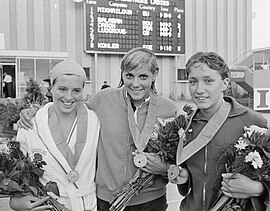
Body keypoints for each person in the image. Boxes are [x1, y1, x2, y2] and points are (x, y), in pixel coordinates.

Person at [17, 47, 178, 211]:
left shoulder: (169, 109)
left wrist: (165, 168)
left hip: (151, 200)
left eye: (143, 76)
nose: (135, 83)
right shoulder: (104, 99)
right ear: (122, 74)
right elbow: (71, 106)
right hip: (106, 200)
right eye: (129, 75)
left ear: (154, 75)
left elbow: (178, 161)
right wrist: (38, 112)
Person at [170, 52, 269, 211]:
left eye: (208, 81)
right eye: (193, 82)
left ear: (225, 83)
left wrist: (259, 188)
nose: (199, 89)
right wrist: (184, 177)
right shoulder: (186, 124)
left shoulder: (253, 122)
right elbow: (194, 179)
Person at [10, 59, 100, 211]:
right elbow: (17, 173)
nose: (69, 97)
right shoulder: (31, 124)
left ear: (83, 90)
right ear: (51, 88)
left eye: (76, 91)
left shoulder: (96, 120)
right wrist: (16, 203)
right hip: (48, 205)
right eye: (62, 89)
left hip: (87, 205)